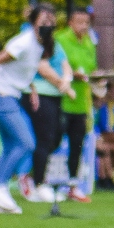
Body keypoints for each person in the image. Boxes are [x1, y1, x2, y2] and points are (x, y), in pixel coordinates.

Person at [0, 3, 58, 214]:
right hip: (0, 95)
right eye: (43, 20)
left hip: (11, 95)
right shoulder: (23, 43)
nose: (48, 24)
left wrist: (31, 88)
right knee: (26, 142)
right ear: (33, 22)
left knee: (11, 145)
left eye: (51, 20)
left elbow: (23, 69)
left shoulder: (42, 44)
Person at [21, 24, 76, 204]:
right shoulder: (31, 42)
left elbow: (65, 65)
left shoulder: (55, 44)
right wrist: (66, 87)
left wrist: (66, 81)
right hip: (38, 95)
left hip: (56, 96)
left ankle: (33, 177)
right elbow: (43, 69)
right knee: (43, 139)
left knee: (56, 137)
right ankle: (38, 183)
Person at [55, 7, 97, 202]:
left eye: (86, 22)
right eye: (80, 22)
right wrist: (72, 73)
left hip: (80, 102)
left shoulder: (88, 42)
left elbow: (91, 67)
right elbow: (57, 64)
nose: (83, 26)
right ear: (70, 22)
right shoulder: (61, 39)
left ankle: (72, 185)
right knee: (53, 140)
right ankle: (40, 181)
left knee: (77, 145)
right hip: (62, 100)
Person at [94, 80, 114, 187]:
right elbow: (101, 126)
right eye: (113, 92)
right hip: (100, 137)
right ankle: (110, 179)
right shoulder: (101, 107)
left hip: (108, 138)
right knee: (112, 147)